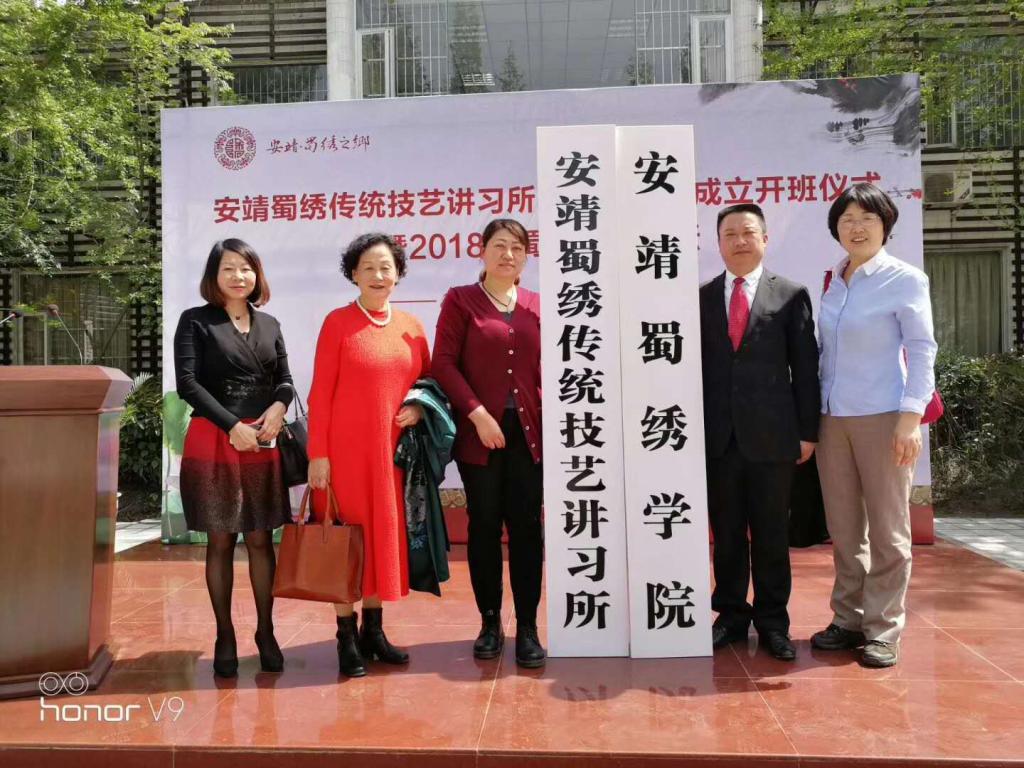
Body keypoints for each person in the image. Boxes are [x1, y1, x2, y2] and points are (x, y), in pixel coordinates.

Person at [811, 182, 938, 668]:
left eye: (867, 218)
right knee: (845, 528)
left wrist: (910, 418)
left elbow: (922, 349)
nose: (856, 227)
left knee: (888, 529)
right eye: (846, 219)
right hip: (832, 418)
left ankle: (883, 629)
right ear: (836, 229)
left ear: (886, 225)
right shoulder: (833, 280)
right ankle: (847, 618)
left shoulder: (904, 279)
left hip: (885, 416)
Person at [699, 203, 820, 661]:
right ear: (718, 244)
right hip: (718, 440)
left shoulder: (790, 295)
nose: (739, 241)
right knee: (726, 534)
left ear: (765, 239)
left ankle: (773, 622)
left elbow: (805, 369)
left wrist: (807, 432)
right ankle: (730, 615)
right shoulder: (700, 299)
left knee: (770, 535)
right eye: (729, 234)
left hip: (772, 439)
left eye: (748, 232)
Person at [306, 233, 430, 678]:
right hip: (344, 457)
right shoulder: (338, 323)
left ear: (398, 274)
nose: (379, 275)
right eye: (369, 268)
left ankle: (373, 631)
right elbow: (320, 393)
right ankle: (346, 635)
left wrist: (419, 409)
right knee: (346, 544)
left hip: (392, 458)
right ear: (354, 274)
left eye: (386, 267)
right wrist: (318, 455)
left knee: (381, 539)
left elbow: (427, 388)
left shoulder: (412, 327)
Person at [174, 238, 293, 678]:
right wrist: (231, 426)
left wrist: (278, 408)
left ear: (256, 274)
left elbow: (285, 379)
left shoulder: (270, 323)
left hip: (261, 439)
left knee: (261, 538)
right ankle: (224, 634)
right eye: (228, 268)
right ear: (214, 276)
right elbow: (188, 383)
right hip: (216, 438)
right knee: (221, 540)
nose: (238, 276)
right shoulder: (195, 321)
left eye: (246, 268)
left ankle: (266, 631)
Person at [432, 218, 545, 669]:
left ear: (526, 256)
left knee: (527, 529)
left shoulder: (539, 304)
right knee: (483, 526)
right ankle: (490, 623)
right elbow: (443, 363)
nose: (508, 255)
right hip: (480, 434)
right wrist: (477, 414)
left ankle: (529, 628)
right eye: (499, 246)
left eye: (517, 247)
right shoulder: (461, 300)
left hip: (530, 435)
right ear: (481, 251)